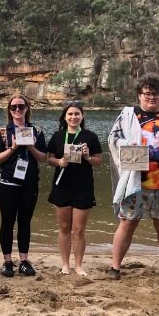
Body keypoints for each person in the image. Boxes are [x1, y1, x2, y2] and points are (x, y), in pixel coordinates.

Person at [108, 73, 159, 280]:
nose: (152, 97)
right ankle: (115, 267)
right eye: (147, 93)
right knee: (126, 223)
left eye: (156, 93)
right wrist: (128, 145)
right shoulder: (127, 116)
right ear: (139, 96)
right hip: (134, 181)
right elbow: (112, 139)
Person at [0, 94, 47, 277]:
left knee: (25, 222)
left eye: (21, 106)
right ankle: (7, 262)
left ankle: (23, 260)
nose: (17, 110)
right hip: (8, 183)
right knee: (7, 222)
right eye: (14, 107)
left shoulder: (37, 131)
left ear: (27, 108)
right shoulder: (1, 132)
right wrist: (13, 147)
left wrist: (31, 147)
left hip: (29, 183)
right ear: (9, 110)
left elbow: (44, 158)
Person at [46, 101, 102, 275]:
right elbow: (49, 158)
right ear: (64, 117)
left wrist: (87, 156)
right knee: (64, 227)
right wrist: (59, 162)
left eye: (77, 114)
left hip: (83, 187)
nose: (73, 117)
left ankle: (78, 265)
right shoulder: (57, 135)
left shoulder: (90, 136)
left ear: (82, 116)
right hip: (62, 186)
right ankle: (65, 265)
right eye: (70, 114)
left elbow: (98, 162)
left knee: (79, 230)